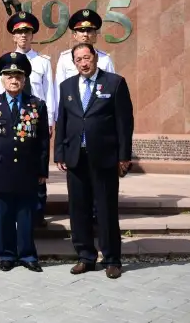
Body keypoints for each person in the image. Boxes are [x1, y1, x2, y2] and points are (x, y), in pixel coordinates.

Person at [54, 43, 134, 280]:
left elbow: (124, 122)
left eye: (86, 58)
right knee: (78, 209)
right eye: (78, 60)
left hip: (105, 157)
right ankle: (86, 256)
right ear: (74, 63)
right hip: (76, 157)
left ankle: (112, 259)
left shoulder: (115, 83)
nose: (83, 63)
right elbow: (63, 120)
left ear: (95, 57)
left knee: (106, 209)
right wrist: (59, 152)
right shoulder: (67, 86)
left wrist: (124, 156)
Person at [0, 52, 49, 272]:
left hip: (28, 169)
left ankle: (28, 255)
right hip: (1, 169)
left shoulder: (36, 105)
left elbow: (42, 141)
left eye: (18, 76)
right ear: (2, 78)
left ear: (25, 78)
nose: (14, 80)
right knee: (4, 215)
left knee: (26, 214)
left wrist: (42, 169)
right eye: (9, 75)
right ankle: (6, 254)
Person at [0, 11, 55, 226]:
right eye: (19, 32)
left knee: (36, 164)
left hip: (35, 120)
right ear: (13, 36)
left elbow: (49, 92)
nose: (23, 36)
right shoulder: (5, 63)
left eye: (27, 32)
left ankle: (38, 212)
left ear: (32, 35)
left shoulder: (42, 62)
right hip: (8, 119)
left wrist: (50, 121)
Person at [54, 9, 116, 107]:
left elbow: (113, 88)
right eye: (81, 31)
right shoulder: (64, 58)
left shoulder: (105, 59)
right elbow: (59, 90)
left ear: (95, 34)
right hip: (73, 110)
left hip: (99, 109)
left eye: (89, 31)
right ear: (75, 35)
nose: (85, 35)